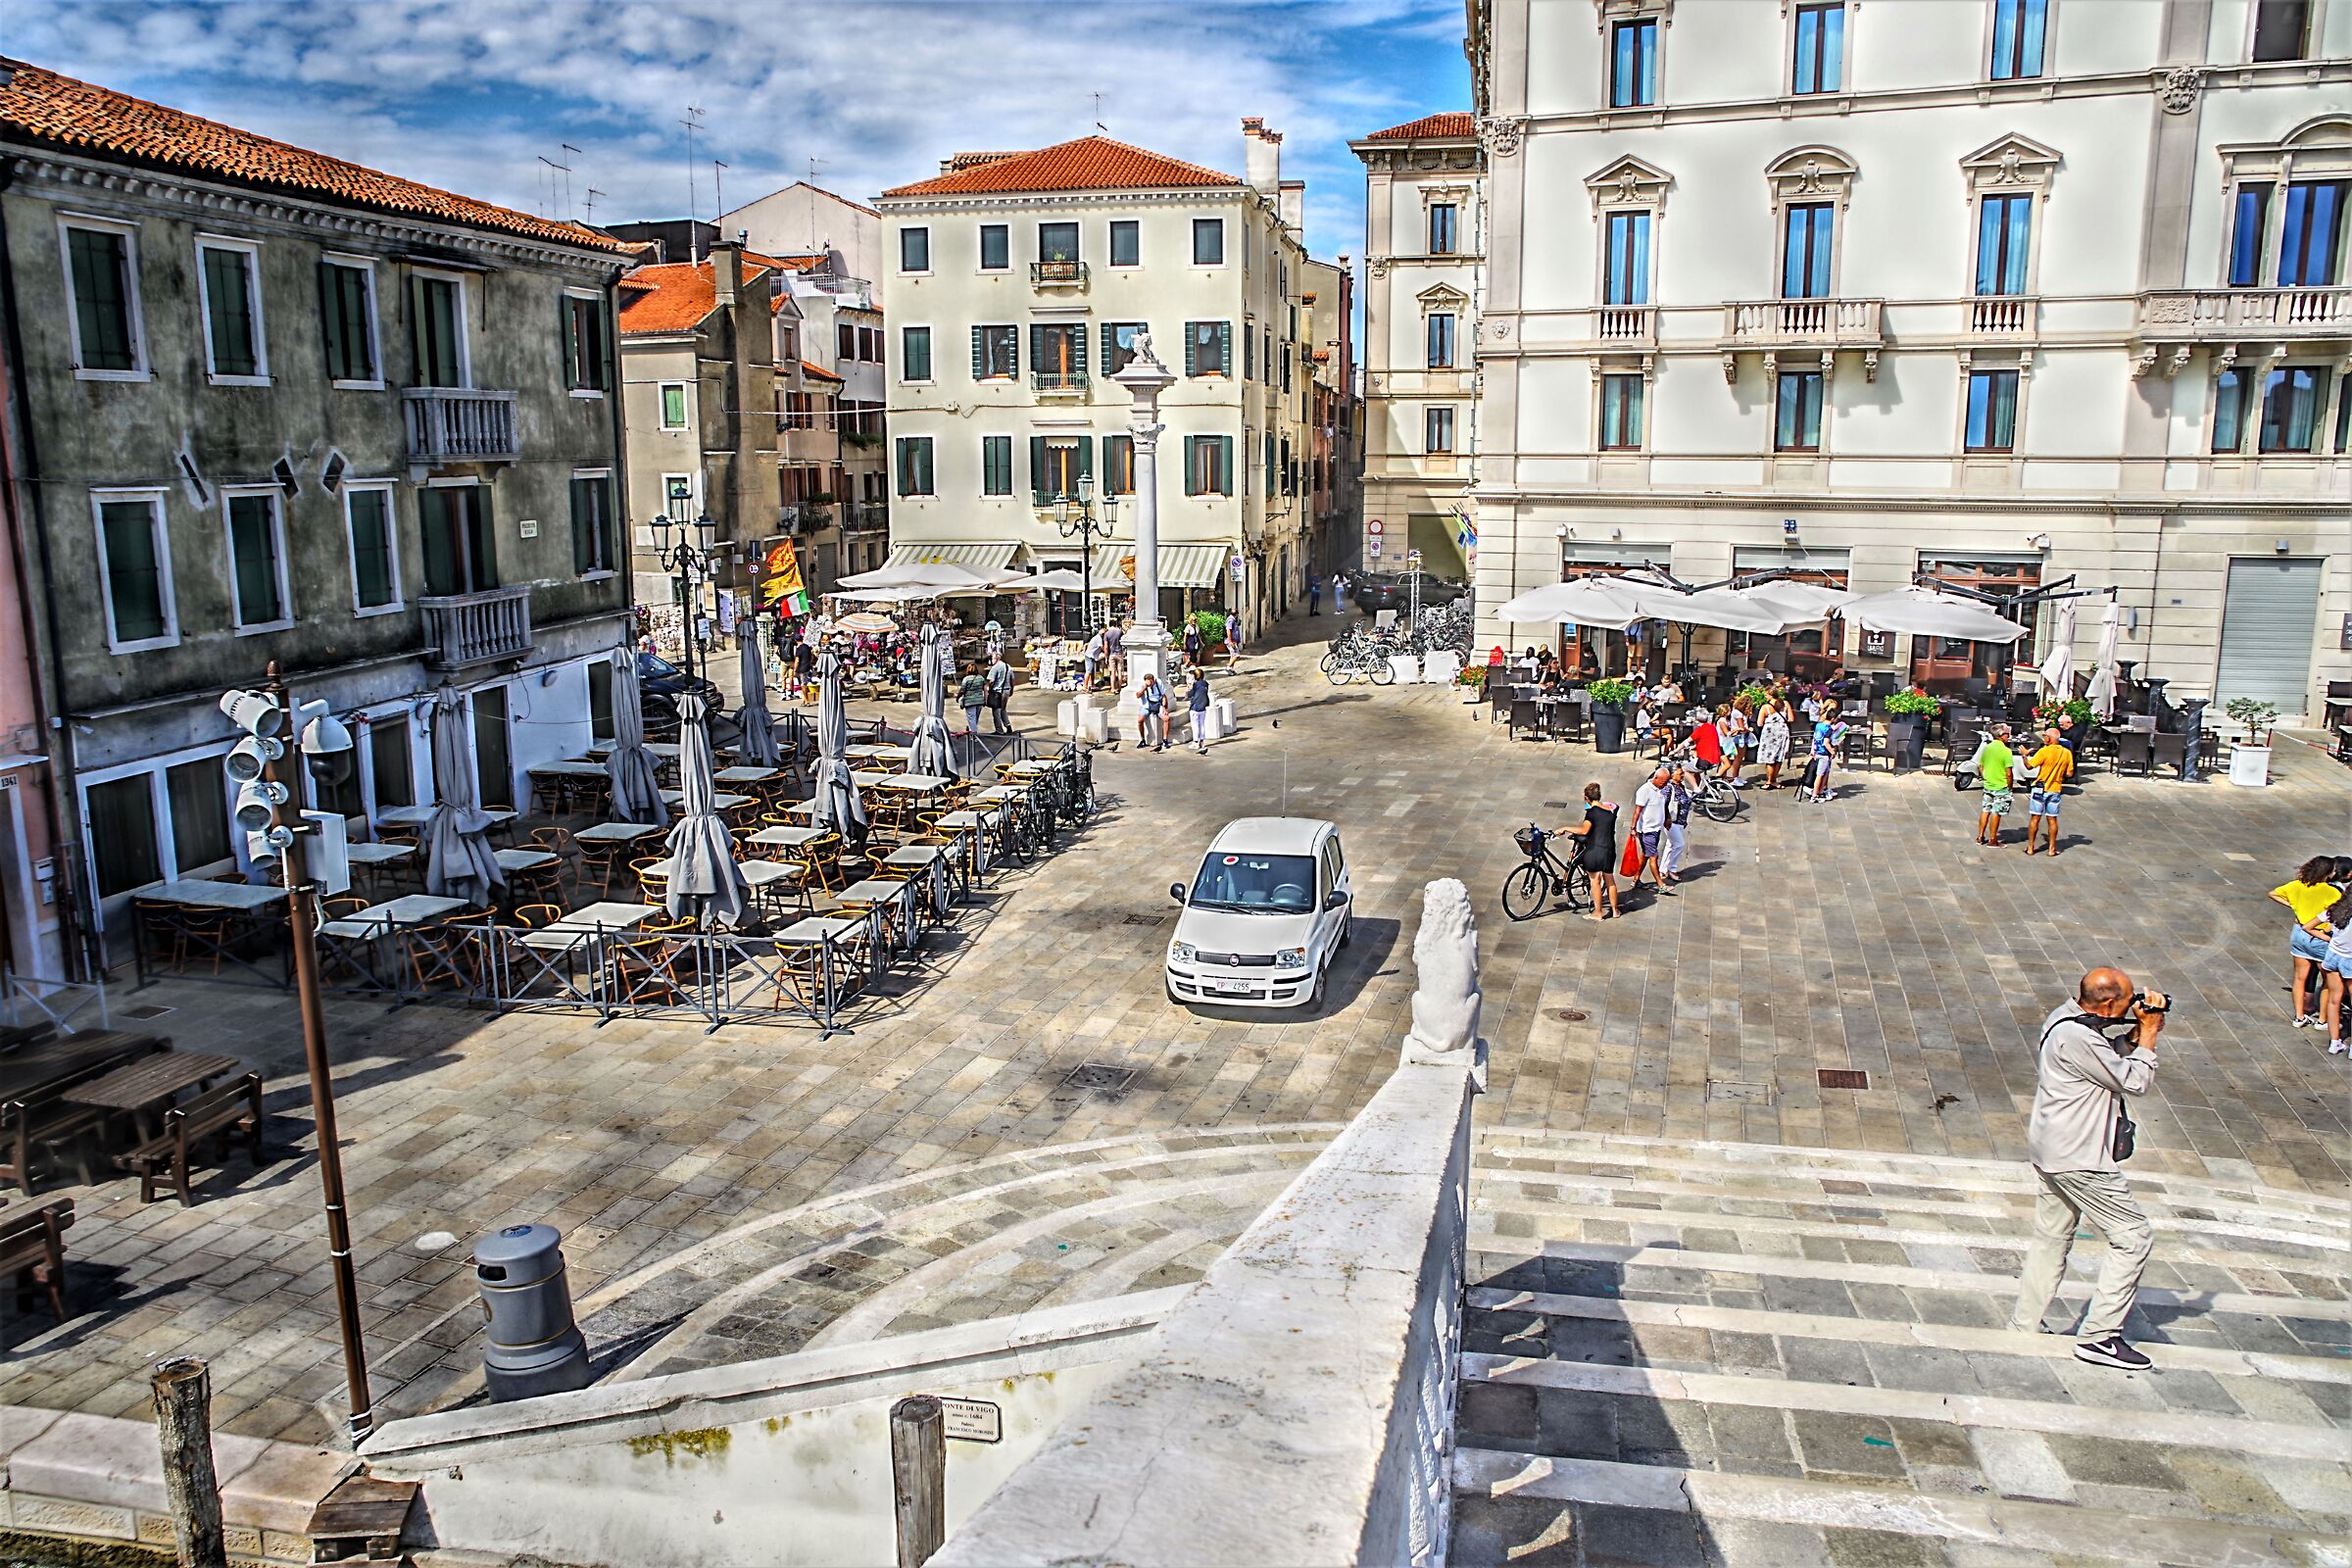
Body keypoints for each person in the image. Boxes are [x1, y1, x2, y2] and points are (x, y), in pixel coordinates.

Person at [2007, 967, 2165, 1371]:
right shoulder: (2077, 1037)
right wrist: (2148, 1035)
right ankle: (2100, 1336)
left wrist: (2130, 1033)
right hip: (2081, 1156)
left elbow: (2103, 1061)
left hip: (2051, 1148)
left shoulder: (2062, 1018)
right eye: (2130, 1001)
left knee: (2052, 1236)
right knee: (2132, 1237)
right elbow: (2134, 1081)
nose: (2136, 1006)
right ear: (2110, 1004)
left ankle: (2024, 1323)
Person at [2271, 855, 2342, 1030]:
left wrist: (2294, 906)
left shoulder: (2297, 886)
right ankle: (2323, 1020)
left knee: (2299, 978)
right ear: (2328, 873)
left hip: (2299, 933)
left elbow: (2273, 893)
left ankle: (2299, 1016)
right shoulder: (2331, 892)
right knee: (2327, 982)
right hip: (2320, 937)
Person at [1559, 782, 1622, 922]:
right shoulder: (1609, 811)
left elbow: (1584, 831)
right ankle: (1615, 910)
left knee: (1595, 882)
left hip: (1595, 850)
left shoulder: (1591, 813)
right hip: (1609, 850)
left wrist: (1564, 828)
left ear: (1586, 798)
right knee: (1610, 881)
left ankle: (1598, 913)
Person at [2023, 726, 2075, 858]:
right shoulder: (2067, 753)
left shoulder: (2044, 751)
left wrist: (2024, 755)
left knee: (2035, 818)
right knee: (2052, 820)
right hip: (2055, 789)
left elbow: (2029, 766)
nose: (2044, 738)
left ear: (2049, 739)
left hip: (2040, 788)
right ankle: (2051, 849)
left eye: (2045, 736)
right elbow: (2069, 773)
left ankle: (2030, 848)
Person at [2320, 856, 2352, 1054]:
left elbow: (2308, 926)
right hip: (2350, 959)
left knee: (2334, 999)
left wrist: (2328, 939)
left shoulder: (2337, 910)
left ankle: (2334, 1042)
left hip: (2333, 955)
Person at [1632, 765, 1675, 895]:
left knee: (1645, 855)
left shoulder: (1660, 789)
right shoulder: (1644, 790)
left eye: (1667, 782)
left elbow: (1663, 805)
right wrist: (1633, 828)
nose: (1665, 785)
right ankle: (1660, 884)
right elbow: (1637, 811)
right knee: (1653, 856)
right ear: (1655, 778)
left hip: (1656, 829)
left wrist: (1667, 818)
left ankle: (1636, 879)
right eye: (1663, 782)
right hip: (1647, 831)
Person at [1976, 723, 2017, 847]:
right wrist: (2010, 787)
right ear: (2001, 735)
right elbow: (2009, 773)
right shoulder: (2006, 751)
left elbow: (1981, 766)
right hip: (2001, 786)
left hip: (1988, 784)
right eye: (2007, 734)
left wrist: (1986, 777)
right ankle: (1993, 839)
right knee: (1996, 812)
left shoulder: (1987, 748)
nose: (2008, 736)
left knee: (1985, 810)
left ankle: (1980, 836)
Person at [1663, 762, 1694, 882]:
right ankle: (1672, 869)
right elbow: (1663, 804)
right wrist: (1667, 818)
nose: (1682, 775)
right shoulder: (1668, 788)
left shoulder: (1680, 785)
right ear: (1671, 775)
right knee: (1679, 844)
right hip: (1672, 822)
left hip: (1680, 821)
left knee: (1670, 845)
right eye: (1680, 773)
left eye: (1682, 773)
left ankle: (1663, 868)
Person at [1806, 713, 1847, 802]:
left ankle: (1821, 792)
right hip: (1824, 754)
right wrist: (1833, 752)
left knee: (1825, 773)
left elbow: (1815, 738)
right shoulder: (1828, 729)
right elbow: (1826, 742)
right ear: (1832, 718)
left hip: (1817, 752)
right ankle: (1815, 795)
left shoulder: (1819, 725)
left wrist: (1812, 750)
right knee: (1820, 775)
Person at [1755, 695, 1791, 790]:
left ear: (1770, 695)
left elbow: (1759, 723)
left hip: (1770, 733)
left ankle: (1769, 781)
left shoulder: (1765, 707)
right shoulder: (1785, 704)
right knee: (1779, 757)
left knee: (1769, 758)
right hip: (1782, 731)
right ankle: (1774, 780)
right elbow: (1791, 719)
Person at [1137, 672, 1167, 751]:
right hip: (1146, 705)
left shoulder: (1158, 682)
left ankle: (1165, 740)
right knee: (1140, 720)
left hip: (1157, 704)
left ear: (1153, 680)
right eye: (1148, 682)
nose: (1150, 684)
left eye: (1151, 682)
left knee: (1166, 718)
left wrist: (1164, 707)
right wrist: (1144, 688)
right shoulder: (1143, 684)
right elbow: (1137, 695)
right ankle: (1142, 739)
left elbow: (1164, 696)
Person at [1186, 669, 1214, 753]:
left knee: (1195, 725)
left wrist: (1189, 690)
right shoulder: (1205, 684)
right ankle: (1202, 741)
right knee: (1202, 725)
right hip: (1203, 706)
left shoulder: (1196, 684)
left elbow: (1191, 694)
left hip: (1195, 706)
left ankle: (1195, 742)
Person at [1690, 709, 1724, 777]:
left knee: (1686, 769)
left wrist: (1675, 751)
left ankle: (1696, 787)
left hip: (1705, 759)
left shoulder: (1700, 729)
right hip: (1715, 757)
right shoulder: (1712, 727)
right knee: (1696, 772)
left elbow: (1687, 741)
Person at [956, 664, 987, 736]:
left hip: (969, 702)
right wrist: (985, 700)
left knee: (971, 719)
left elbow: (962, 691)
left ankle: (974, 735)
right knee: (975, 718)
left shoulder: (966, 679)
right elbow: (985, 690)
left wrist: (958, 698)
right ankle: (972, 730)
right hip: (979, 701)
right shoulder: (981, 678)